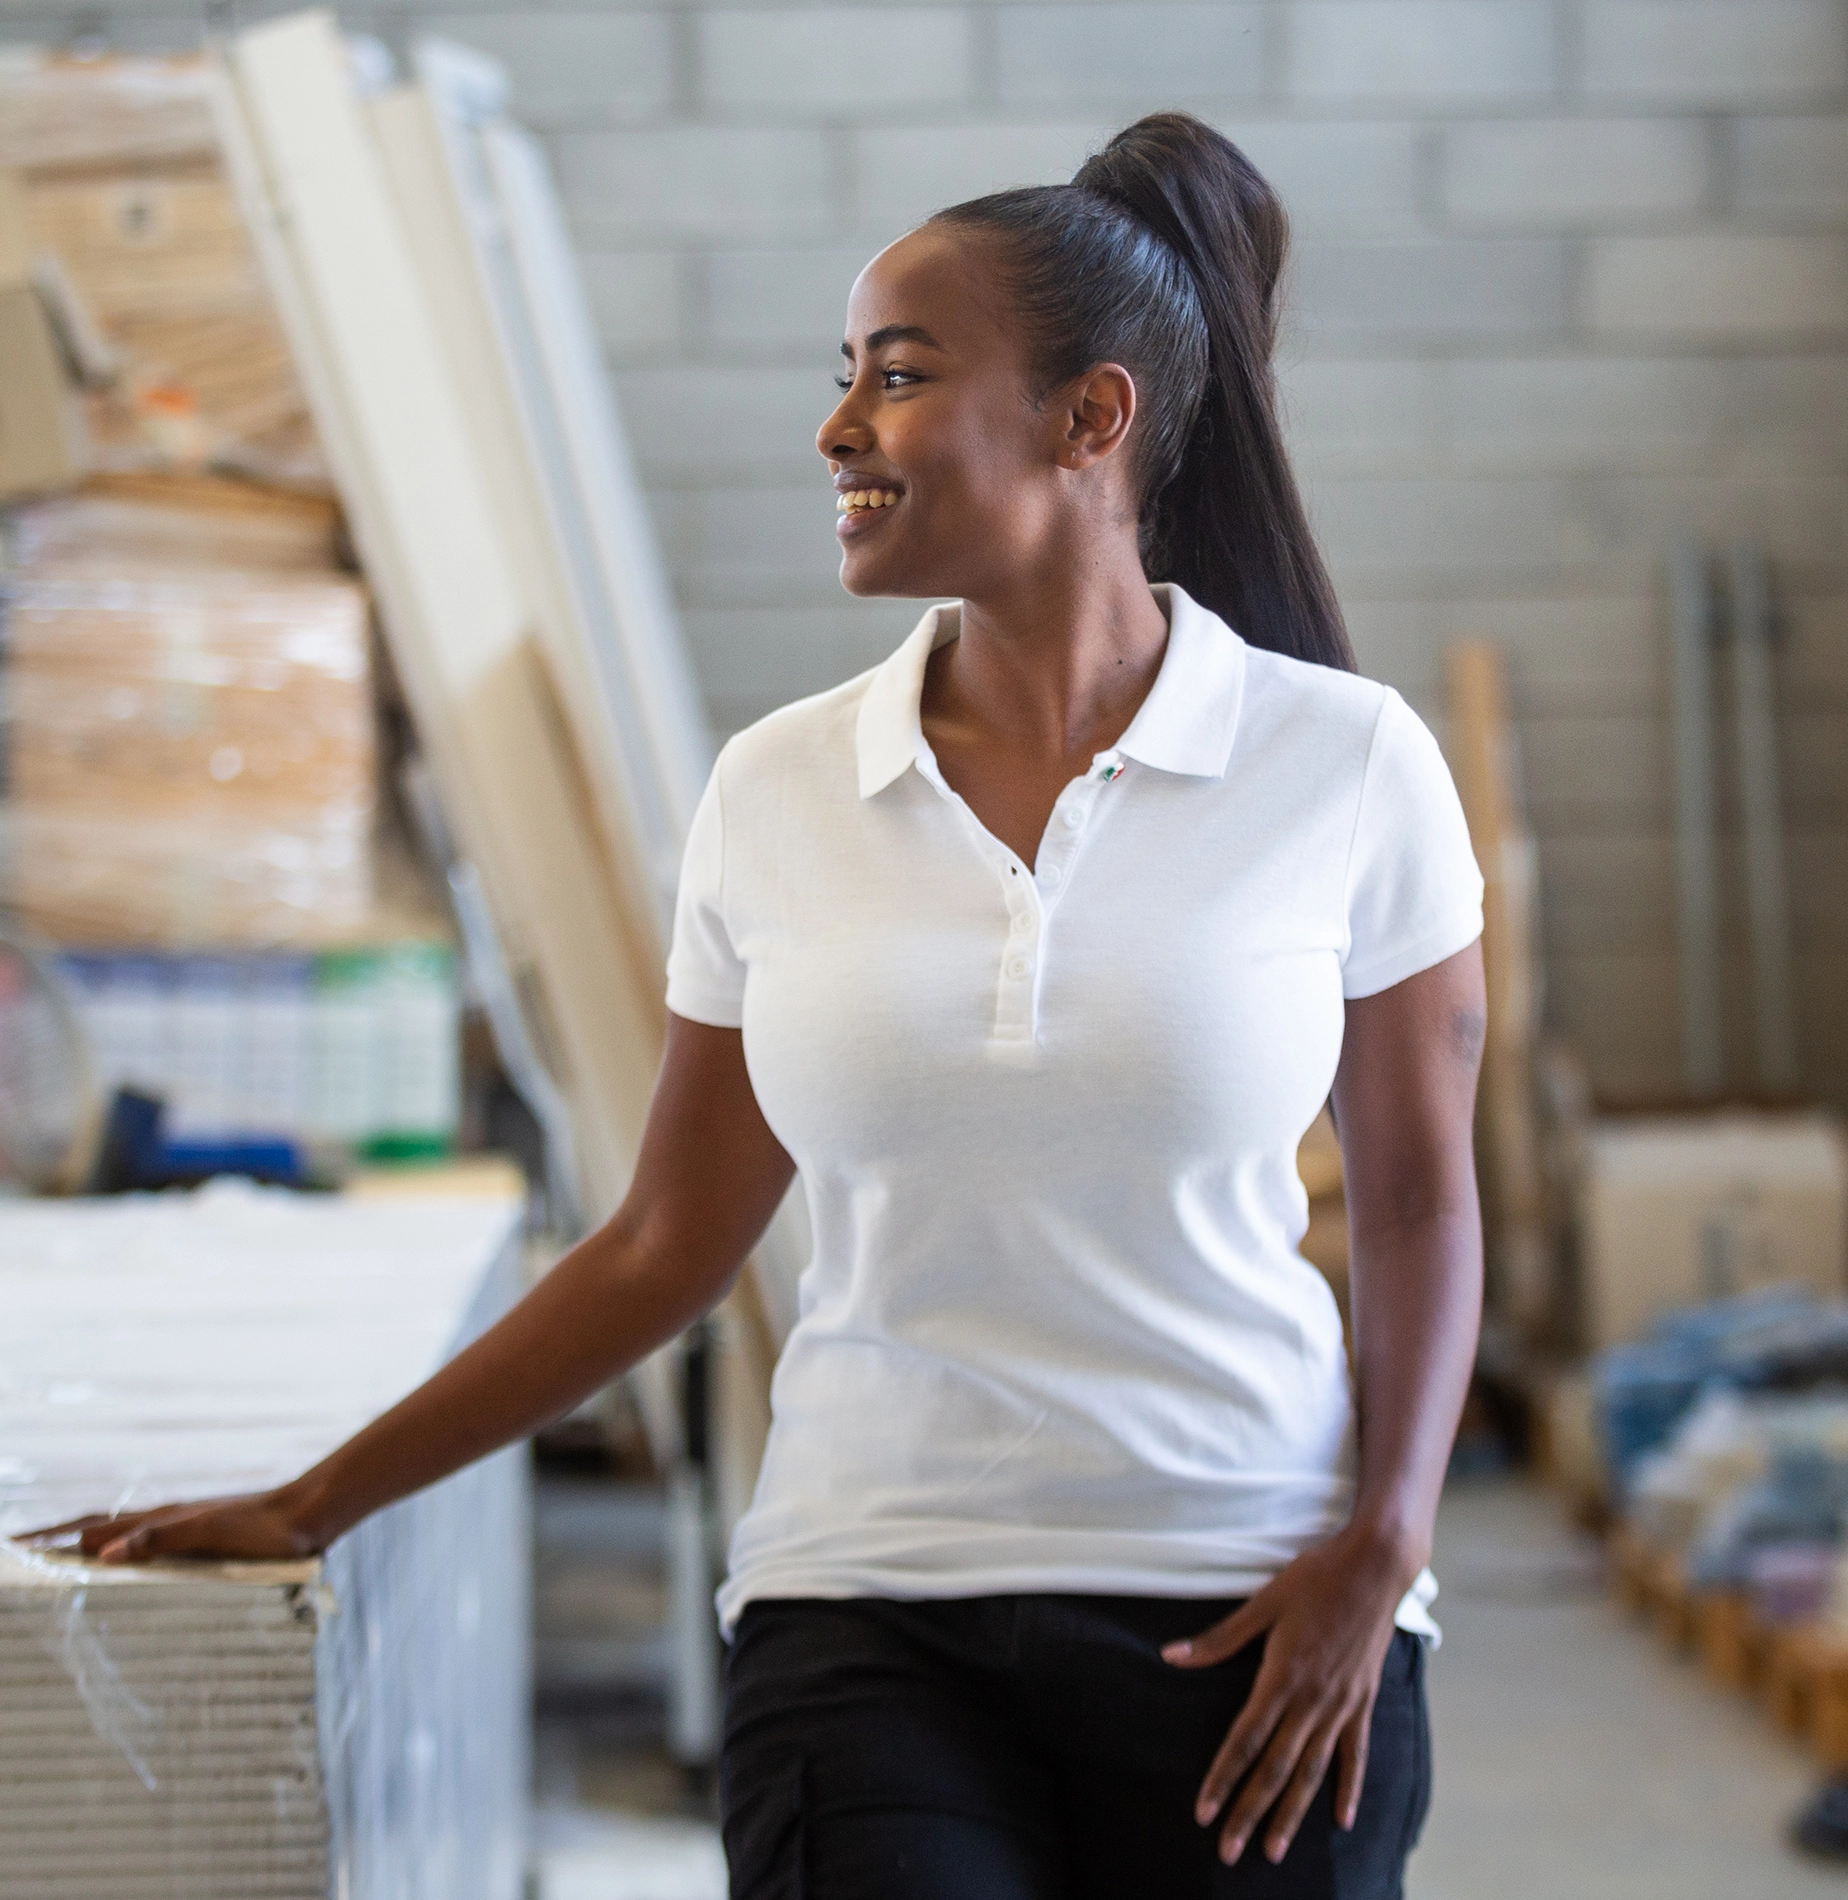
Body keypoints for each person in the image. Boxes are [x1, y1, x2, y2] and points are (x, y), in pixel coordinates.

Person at [29, 112, 1486, 1898]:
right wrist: (315, 1499)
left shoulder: (1344, 765)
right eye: (842, 375)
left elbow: (1418, 1197)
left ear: (1089, 419)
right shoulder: (781, 792)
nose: (837, 428)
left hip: (1256, 1606)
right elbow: (664, 1245)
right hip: (868, 1603)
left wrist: (1383, 1544)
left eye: (898, 374)